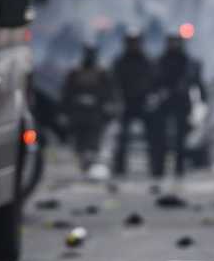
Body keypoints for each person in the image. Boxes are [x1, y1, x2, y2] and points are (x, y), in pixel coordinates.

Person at [148, 34, 208, 178]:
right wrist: (156, 94)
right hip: (164, 103)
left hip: (181, 103)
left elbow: (197, 82)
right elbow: (152, 82)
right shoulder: (160, 62)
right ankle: (159, 168)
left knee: (181, 138)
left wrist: (203, 100)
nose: (174, 46)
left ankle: (179, 168)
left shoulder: (188, 63)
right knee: (160, 138)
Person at [60, 43, 119, 171]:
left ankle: (89, 160)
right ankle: (84, 160)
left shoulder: (102, 73)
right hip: (78, 113)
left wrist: (109, 106)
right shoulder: (76, 73)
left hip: (95, 113)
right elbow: (67, 93)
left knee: (93, 140)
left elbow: (109, 93)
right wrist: (65, 110)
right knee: (80, 141)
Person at [111, 29, 154, 177]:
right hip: (126, 102)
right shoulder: (121, 62)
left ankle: (155, 168)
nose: (133, 45)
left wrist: (151, 98)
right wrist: (117, 101)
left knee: (152, 137)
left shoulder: (147, 61)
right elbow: (114, 83)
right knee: (122, 138)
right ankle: (119, 168)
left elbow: (153, 81)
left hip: (143, 102)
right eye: (131, 43)